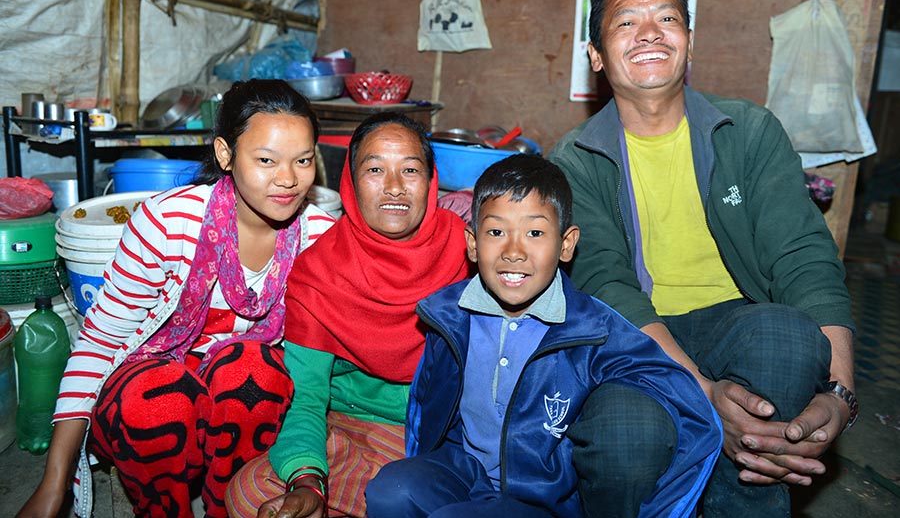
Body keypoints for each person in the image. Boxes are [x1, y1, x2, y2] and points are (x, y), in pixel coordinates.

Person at [547, 0, 856, 518]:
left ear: (689, 45)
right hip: (636, 338)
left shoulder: (749, 132)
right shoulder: (574, 160)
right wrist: (707, 398)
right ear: (596, 56)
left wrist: (841, 395)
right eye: (626, 23)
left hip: (737, 323)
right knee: (623, 442)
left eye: (667, 19)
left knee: (788, 339)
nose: (649, 32)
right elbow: (606, 285)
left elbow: (803, 257)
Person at [16, 79, 336, 518]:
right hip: (149, 407)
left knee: (255, 368)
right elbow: (97, 344)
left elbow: (317, 362)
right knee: (160, 395)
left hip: (240, 414)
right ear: (226, 154)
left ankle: (233, 505)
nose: (288, 179)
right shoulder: (169, 224)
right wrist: (54, 483)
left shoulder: (318, 238)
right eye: (266, 160)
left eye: (303, 161)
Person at [365, 154, 723, 518]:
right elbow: (424, 407)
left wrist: (669, 509)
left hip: (540, 499)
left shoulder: (591, 328)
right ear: (472, 243)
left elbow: (686, 402)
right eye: (496, 232)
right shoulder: (449, 314)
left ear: (566, 244)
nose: (514, 251)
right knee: (391, 491)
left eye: (535, 233)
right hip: (462, 471)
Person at [224, 112, 471, 518]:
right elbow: (305, 399)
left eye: (410, 169)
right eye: (375, 169)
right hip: (339, 427)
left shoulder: (467, 254)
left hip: (430, 435)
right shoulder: (319, 271)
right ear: (350, 183)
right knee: (248, 495)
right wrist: (307, 481)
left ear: (431, 180)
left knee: (401, 496)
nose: (394, 187)